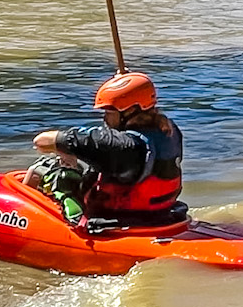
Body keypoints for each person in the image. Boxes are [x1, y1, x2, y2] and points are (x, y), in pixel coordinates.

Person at [26, 72, 186, 229]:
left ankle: (25, 222)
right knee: (83, 167)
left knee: (44, 168)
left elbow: (41, 141)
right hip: (161, 215)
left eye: (109, 112)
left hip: (117, 221)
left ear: (130, 111)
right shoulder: (169, 130)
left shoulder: (118, 146)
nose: (105, 118)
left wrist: (65, 148)